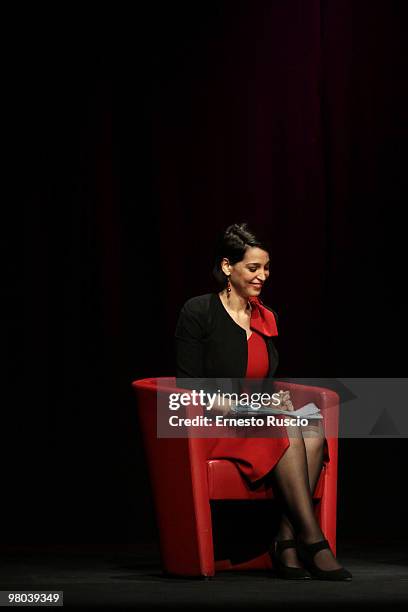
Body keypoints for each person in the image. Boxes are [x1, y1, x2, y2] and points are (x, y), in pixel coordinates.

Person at [174, 222, 352, 581]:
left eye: (266, 268)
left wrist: (275, 399)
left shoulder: (263, 317)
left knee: (312, 424)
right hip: (212, 425)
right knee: (285, 424)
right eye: (253, 268)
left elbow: (260, 382)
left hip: (256, 421)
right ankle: (312, 540)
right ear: (228, 267)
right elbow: (190, 389)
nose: (262, 276)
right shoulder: (199, 311)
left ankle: (285, 541)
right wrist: (258, 409)